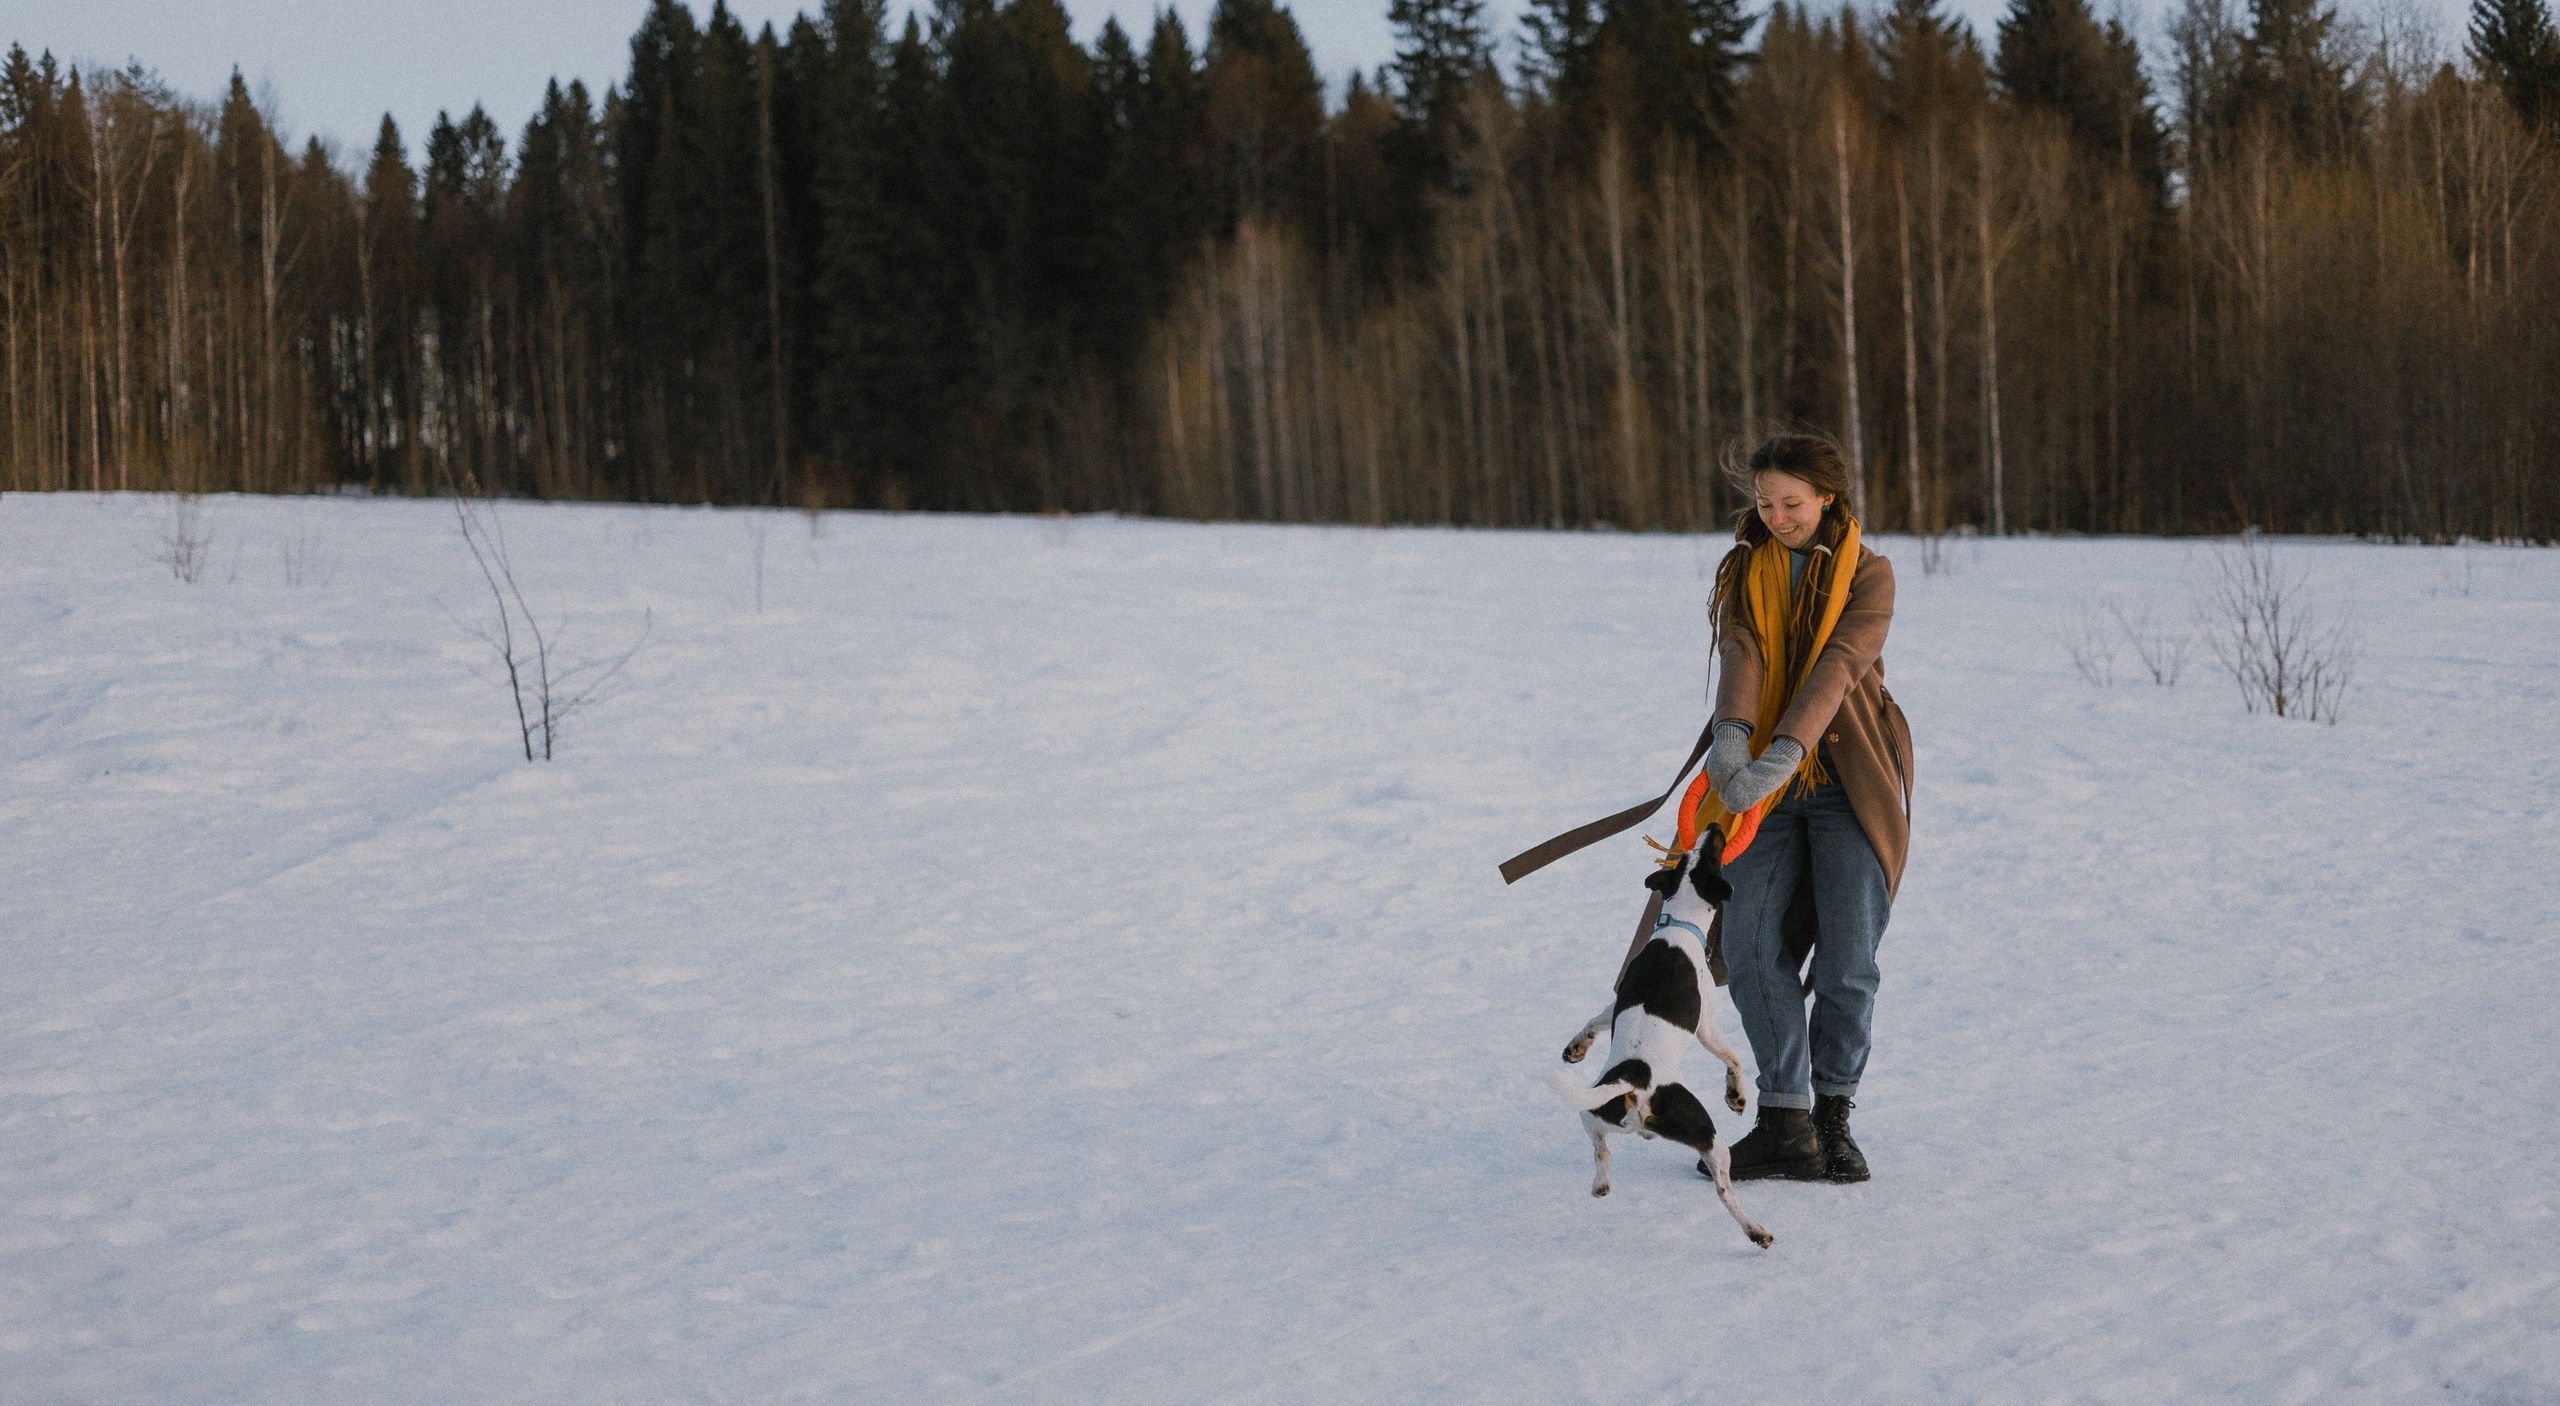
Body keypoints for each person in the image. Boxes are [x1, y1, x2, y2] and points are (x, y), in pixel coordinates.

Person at [1697, 434, 1912, 1183]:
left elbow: (1841, 663)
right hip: (1760, 787)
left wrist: (1784, 750)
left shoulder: (1871, 574)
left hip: (1848, 781)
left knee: (1850, 962)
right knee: (1753, 946)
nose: (1779, 517)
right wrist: (1732, 739)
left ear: (1827, 498)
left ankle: (1833, 1116)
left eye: (1792, 503)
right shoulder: (1747, 570)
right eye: (1765, 503)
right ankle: (1784, 1118)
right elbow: (1744, 648)